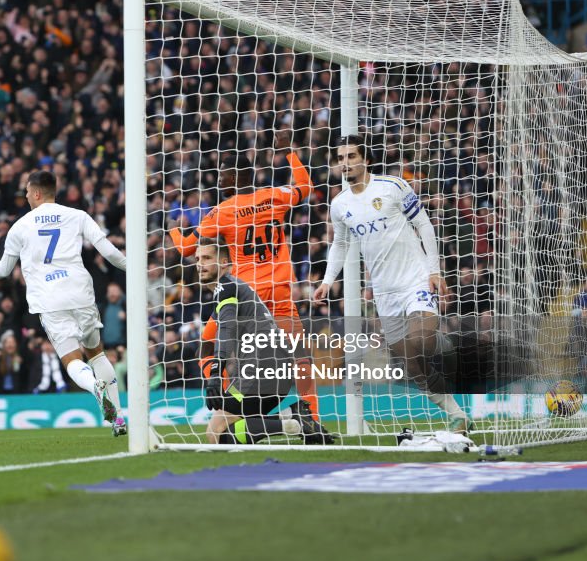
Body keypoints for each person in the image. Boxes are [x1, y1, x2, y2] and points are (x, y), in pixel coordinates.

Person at [312, 138, 470, 432]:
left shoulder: (393, 187)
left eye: (351, 156)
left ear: (366, 159)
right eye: (340, 157)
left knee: (420, 341)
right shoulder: (339, 204)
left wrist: (434, 271)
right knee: (411, 366)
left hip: (415, 279)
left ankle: (451, 349)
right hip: (385, 293)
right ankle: (458, 415)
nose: (345, 162)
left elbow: (424, 224)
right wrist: (327, 281)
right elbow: (341, 244)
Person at [169, 132, 323, 419]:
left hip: (244, 297)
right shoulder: (274, 197)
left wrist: (172, 230)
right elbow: (305, 185)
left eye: (223, 175)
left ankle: (227, 401)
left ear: (237, 177)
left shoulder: (222, 212)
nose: (218, 181)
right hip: (279, 292)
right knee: (300, 356)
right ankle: (312, 417)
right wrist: (290, 153)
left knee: (208, 343)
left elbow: (188, 248)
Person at [0, 170, 128, 436]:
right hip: (80, 292)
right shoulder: (78, 215)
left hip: (49, 299)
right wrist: (133, 268)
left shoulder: (20, 226)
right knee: (96, 352)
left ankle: (95, 388)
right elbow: (107, 249)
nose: (25, 196)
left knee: (72, 360)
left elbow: (2, 271)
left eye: (26, 191)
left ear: (36, 193)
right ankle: (118, 419)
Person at [195, 237, 331, 445]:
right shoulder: (234, 288)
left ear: (223, 262)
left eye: (206, 258)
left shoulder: (226, 286)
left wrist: (215, 372)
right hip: (275, 369)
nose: (199, 264)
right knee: (222, 433)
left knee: (215, 433)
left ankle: (294, 419)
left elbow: (227, 328)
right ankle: (290, 417)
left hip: (261, 368)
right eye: (197, 258)